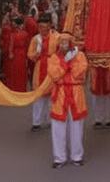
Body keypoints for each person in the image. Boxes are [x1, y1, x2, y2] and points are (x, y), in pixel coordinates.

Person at [48, 32, 87, 168]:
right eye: (61, 42)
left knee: (77, 126)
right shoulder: (53, 57)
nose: (63, 45)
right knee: (58, 127)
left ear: (71, 43)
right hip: (60, 94)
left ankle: (77, 156)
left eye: (66, 42)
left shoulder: (80, 56)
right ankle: (59, 157)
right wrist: (67, 64)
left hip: (76, 93)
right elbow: (54, 74)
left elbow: (79, 73)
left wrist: (67, 64)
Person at [28, 14, 58, 132]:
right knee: (39, 95)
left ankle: (52, 119)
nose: (42, 30)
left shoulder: (57, 37)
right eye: (40, 27)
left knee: (52, 95)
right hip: (40, 67)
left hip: (52, 67)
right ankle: (36, 121)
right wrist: (36, 55)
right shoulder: (36, 39)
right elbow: (30, 54)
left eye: (44, 27)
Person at [5, 16, 31, 92]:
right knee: (22, 72)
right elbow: (27, 45)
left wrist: (10, 53)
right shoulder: (25, 33)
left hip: (15, 53)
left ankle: (14, 88)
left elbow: (11, 44)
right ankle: (22, 88)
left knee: (14, 71)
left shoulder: (13, 33)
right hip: (23, 53)